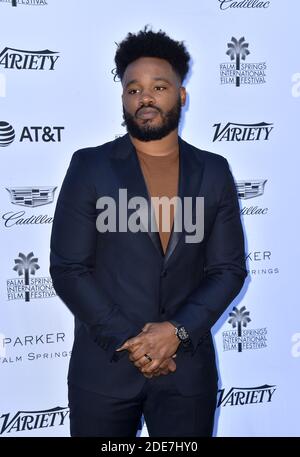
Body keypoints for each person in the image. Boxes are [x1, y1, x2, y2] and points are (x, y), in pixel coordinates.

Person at [50, 27, 247, 437]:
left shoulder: (213, 171)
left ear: (181, 96)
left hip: (186, 372)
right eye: (134, 89)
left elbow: (228, 269)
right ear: (123, 98)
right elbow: (69, 268)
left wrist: (175, 333)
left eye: (159, 87)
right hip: (104, 371)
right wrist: (135, 342)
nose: (146, 98)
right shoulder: (90, 167)